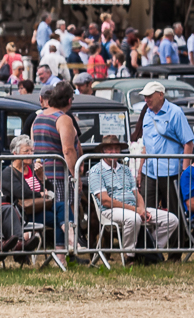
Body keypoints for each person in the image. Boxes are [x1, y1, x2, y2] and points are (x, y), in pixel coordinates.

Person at [89, 134, 179, 264]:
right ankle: (129, 256)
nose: (114, 151)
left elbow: (136, 193)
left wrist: (142, 209)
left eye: (116, 148)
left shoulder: (125, 169)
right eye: (110, 148)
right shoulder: (96, 171)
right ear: (103, 151)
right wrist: (136, 210)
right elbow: (105, 200)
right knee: (134, 218)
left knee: (172, 219)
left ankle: (150, 250)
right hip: (110, 210)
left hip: (133, 209)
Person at [134, 81, 194, 238]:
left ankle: (176, 247)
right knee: (145, 210)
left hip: (171, 171)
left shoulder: (175, 112)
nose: (146, 99)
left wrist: (184, 171)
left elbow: (188, 143)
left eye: (149, 96)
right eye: (145, 96)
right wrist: (140, 170)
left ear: (161, 95)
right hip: (149, 171)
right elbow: (146, 145)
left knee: (175, 212)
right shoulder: (147, 114)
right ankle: (149, 246)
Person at [32, 81, 79, 257]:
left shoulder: (38, 118)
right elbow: (68, 150)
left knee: (59, 213)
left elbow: (34, 147)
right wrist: (75, 175)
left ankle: (62, 254)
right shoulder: (63, 118)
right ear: (69, 100)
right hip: (59, 175)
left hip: (42, 175)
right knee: (63, 212)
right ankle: (63, 254)